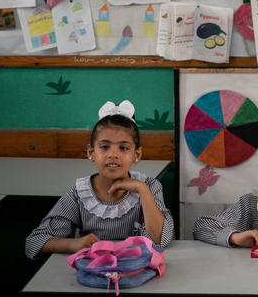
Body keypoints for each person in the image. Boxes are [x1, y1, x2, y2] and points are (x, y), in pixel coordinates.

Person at [25, 100, 173, 258]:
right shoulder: (80, 194)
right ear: (91, 153)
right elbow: (34, 242)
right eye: (104, 147)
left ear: (136, 155)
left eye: (123, 148)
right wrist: (74, 243)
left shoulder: (149, 186)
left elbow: (159, 240)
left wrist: (142, 189)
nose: (113, 154)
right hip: (94, 272)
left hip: (136, 270)